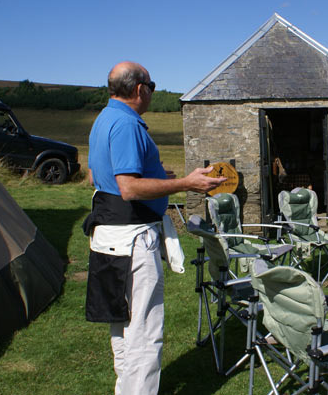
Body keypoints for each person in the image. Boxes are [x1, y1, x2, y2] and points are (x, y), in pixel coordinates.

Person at [84, 61, 226, 395]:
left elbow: (94, 177)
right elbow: (129, 188)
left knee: (123, 324)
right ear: (139, 89)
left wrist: (163, 176)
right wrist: (185, 183)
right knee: (145, 332)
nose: (151, 93)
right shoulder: (127, 125)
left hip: (109, 235)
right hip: (132, 239)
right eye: (152, 87)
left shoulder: (103, 119)